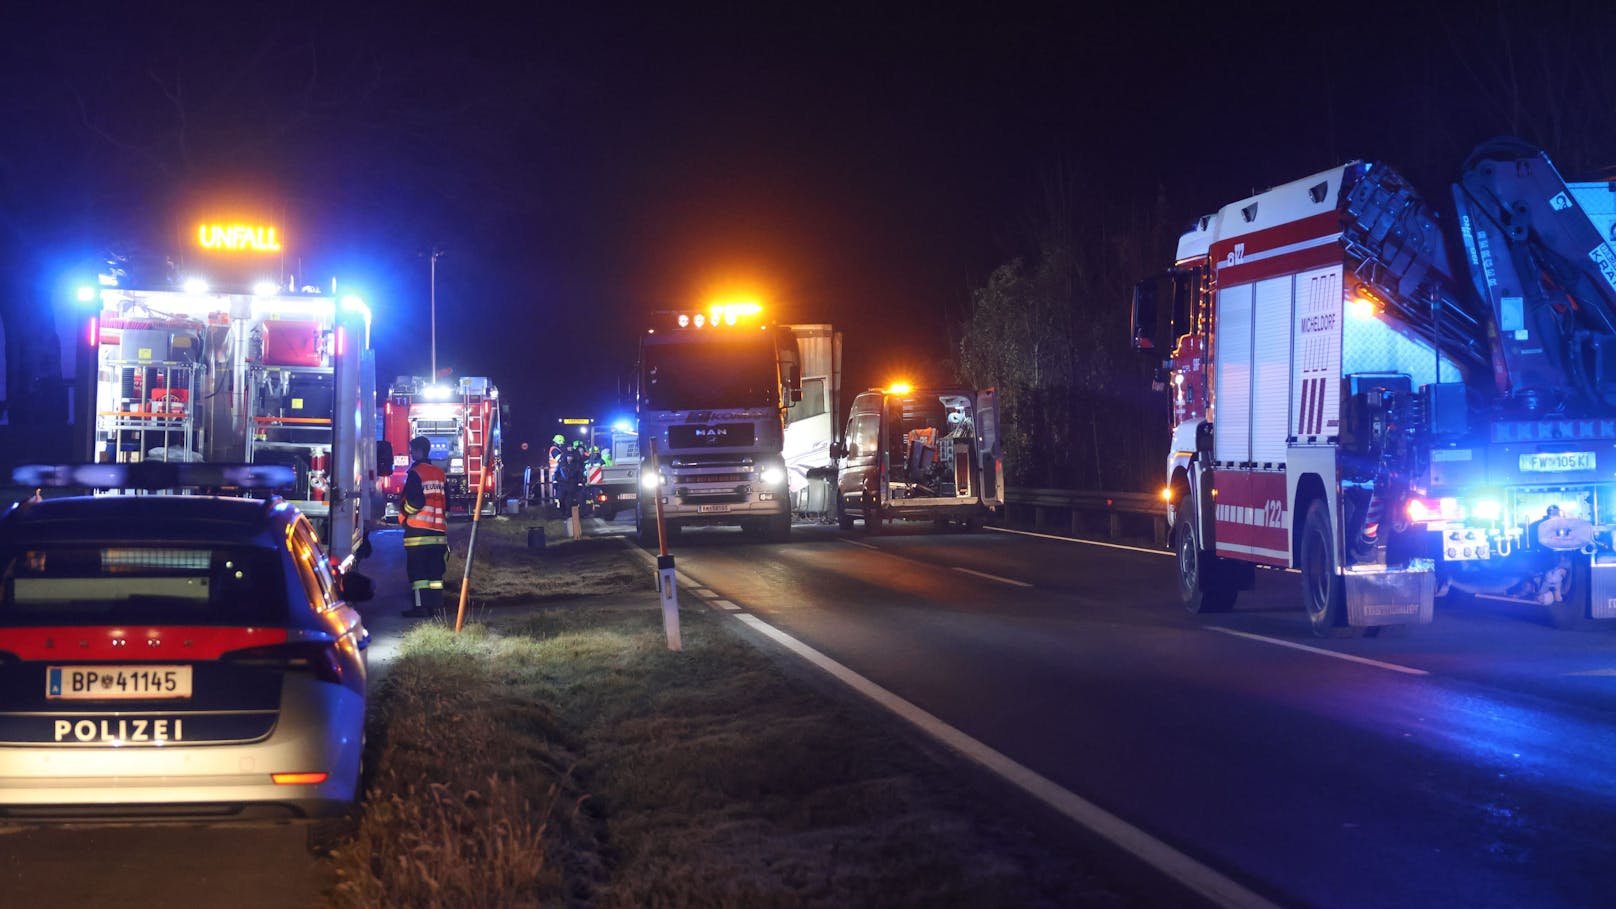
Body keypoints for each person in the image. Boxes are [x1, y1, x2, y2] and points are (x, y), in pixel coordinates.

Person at [400, 435, 449, 619]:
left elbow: (416, 501)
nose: (411, 453)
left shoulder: (416, 473)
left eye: (412, 450)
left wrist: (404, 512)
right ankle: (436, 607)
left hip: (418, 534)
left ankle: (420, 608)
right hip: (438, 535)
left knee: (418, 574)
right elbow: (448, 505)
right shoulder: (439, 473)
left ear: (419, 451)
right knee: (435, 574)